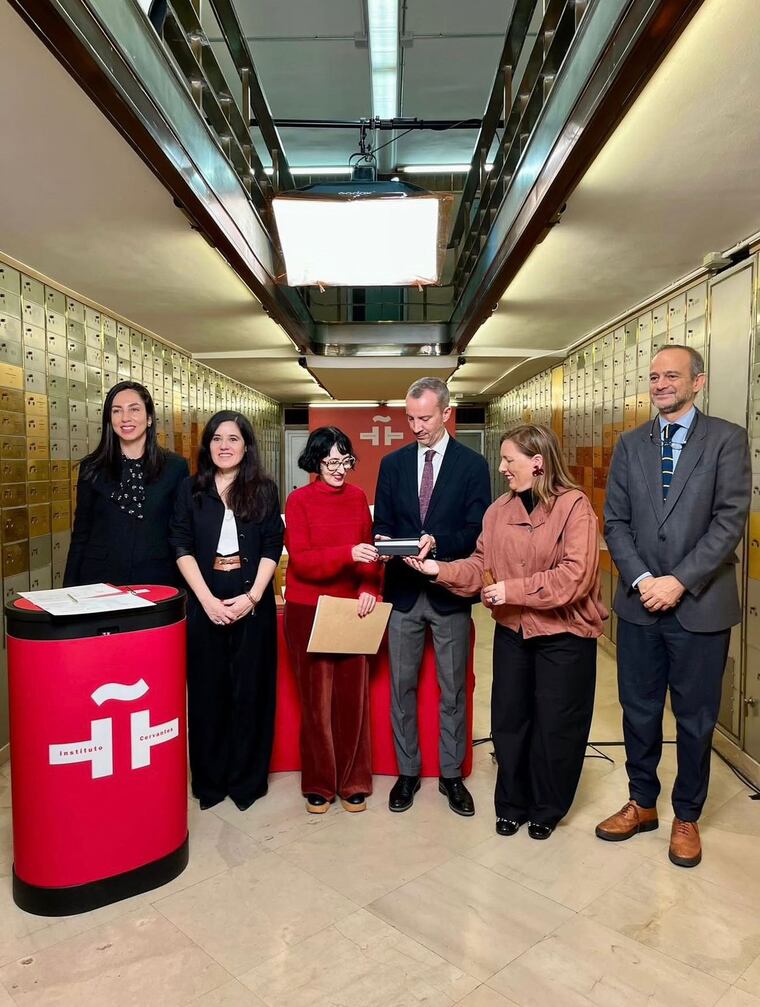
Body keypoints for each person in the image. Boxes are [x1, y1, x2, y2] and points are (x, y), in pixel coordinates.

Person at [407, 424, 606, 838]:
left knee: (556, 725)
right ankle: (512, 803)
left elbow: (575, 576)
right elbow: (481, 567)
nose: (501, 468)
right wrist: (437, 569)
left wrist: (512, 590)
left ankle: (546, 808)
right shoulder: (498, 511)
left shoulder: (575, 507)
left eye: (509, 460)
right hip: (514, 633)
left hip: (564, 635)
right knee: (510, 722)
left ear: (537, 463)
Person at [598, 345, 750, 868]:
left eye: (672, 376)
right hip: (641, 604)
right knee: (638, 711)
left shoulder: (727, 439)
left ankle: (686, 814)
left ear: (698, 382)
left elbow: (729, 521)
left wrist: (678, 582)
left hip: (699, 606)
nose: (661, 383)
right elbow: (614, 521)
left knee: (694, 717)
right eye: (654, 376)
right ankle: (642, 802)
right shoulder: (630, 444)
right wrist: (643, 579)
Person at [373, 377, 491, 816]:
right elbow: (380, 522)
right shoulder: (393, 463)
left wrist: (435, 543)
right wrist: (387, 543)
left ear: (446, 413)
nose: (415, 426)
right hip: (403, 594)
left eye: (424, 418)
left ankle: (451, 776)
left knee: (453, 689)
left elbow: (476, 529)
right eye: (410, 417)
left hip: (448, 593)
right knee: (401, 687)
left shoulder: (472, 465)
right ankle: (407, 772)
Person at [169, 411, 283, 811]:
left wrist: (251, 597)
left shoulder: (264, 491)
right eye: (217, 438)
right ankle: (211, 782)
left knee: (251, 692)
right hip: (206, 598)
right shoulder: (191, 490)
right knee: (207, 693)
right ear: (208, 445)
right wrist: (206, 600)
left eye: (233, 439)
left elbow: (271, 548)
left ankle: (247, 782)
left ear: (246, 446)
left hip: (251, 600)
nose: (223, 446)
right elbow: (180, 545)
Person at [283, 427, 382, 814]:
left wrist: (370, 589)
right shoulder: (299, 501)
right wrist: (347, 553)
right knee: (316, 703)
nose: (339, 469)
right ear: (315, 461)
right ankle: (320, 783)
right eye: (331, 461)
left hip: (351, 610)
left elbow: (370, 554)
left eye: (345, 461)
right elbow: (303, 559)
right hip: (308, 610)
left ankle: (354, 780)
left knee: (352, 699)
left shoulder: (358, 498)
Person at [64, 380, 188, 587]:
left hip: (157, 581)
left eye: (134, 409)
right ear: (109, 419)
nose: (125, 418)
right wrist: (67, 592)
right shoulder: (91, 468)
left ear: (149, 418)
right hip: (99, 582)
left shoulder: (175, 467)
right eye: (116, 411)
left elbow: (181, 533)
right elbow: (81, 535)